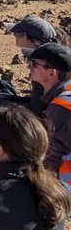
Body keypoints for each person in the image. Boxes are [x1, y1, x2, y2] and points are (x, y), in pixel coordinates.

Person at [28, 43, 71, 186]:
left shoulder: (60, 108)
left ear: (52, 73)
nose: (29, 67)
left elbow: (50, 157)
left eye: (34, 64)